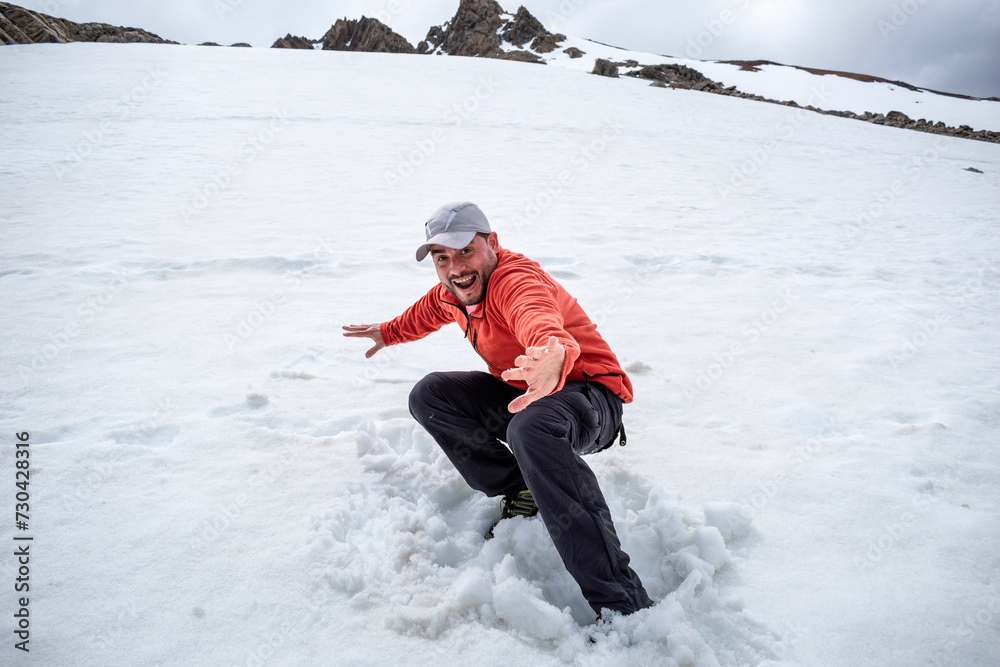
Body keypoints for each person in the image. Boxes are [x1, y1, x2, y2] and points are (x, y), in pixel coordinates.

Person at [343, 201, 652, 618]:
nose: (455, 268)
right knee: (430, 395)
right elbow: (426, 312)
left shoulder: (514, 280)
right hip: (528, 397)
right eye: (442, 258)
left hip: (589, 398)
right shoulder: (453, 293)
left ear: (492, 243)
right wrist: (387, 332)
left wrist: (552, 352)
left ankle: (623, 604)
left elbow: (537, 316)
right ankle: (520, 488)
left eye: (465, 251)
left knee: (531, 429)